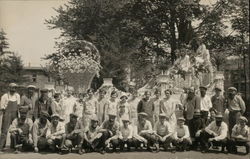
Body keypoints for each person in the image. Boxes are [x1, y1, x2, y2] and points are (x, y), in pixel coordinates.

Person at [0, 83, 20, 152]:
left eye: (15, 88)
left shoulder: (17, 96)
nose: (13, 89)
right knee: (4, 130)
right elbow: (2, 107)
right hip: (7, 113)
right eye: (12, 88)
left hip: (15, 113)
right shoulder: (5, 96)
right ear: (9, 88)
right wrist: (6, 113)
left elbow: (18, 106)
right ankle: (1, 146)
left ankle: (14, 146)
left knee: (16, 129)